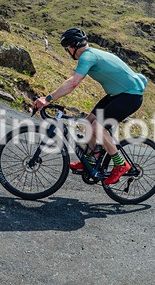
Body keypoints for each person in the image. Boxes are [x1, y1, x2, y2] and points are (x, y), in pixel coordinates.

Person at [33, 27, 148, 185]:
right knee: (88, 123)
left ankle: (121, 164)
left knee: (96, 127)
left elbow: (73, 82)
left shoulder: (88, 56)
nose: (67, 52)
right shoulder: (91, 54)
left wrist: (48, 99)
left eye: (67, 48)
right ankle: (92, 159)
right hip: (118, 94)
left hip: (130, 96)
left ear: (73, 46)